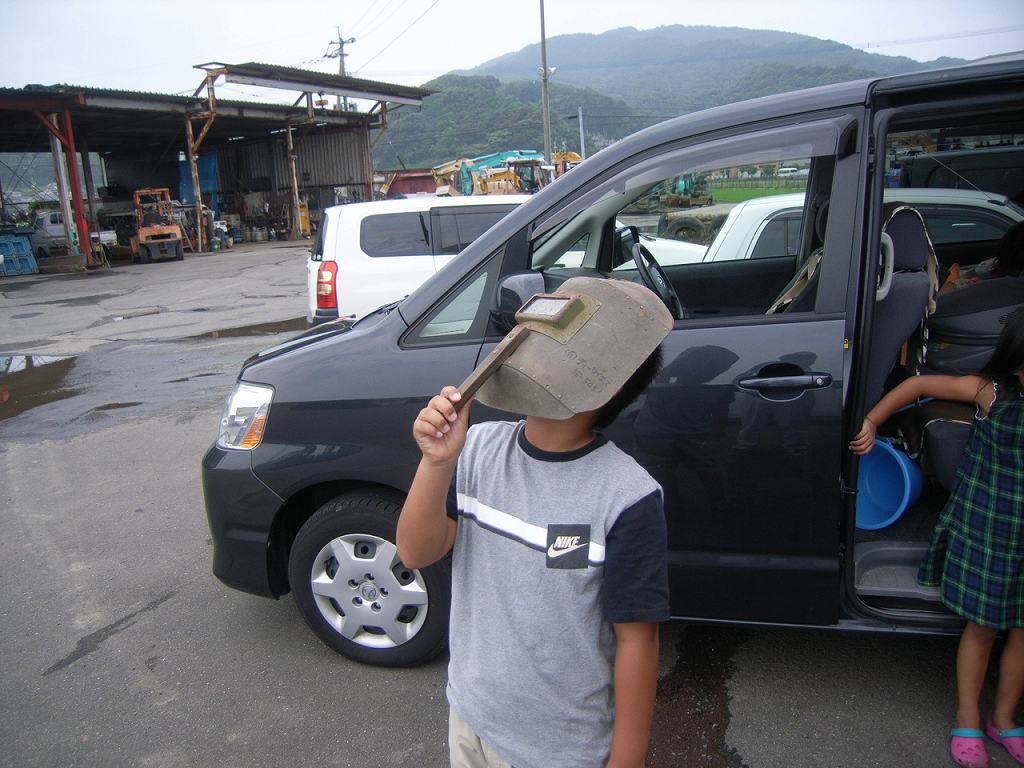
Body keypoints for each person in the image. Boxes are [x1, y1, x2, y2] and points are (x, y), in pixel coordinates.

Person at [397, 276, 673, 768]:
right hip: (471, 717)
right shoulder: (477, 448)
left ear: (605, 384)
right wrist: (436, 462)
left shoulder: (627, 497)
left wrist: (627, 760)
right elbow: (416, 552)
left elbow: (637, 638)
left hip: (561, 749)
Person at [850, 307, 1024, 768]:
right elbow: (918, 385)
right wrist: (872, 421)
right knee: (982, 628)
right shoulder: (991, 392)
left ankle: (1005, 720)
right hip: (993, 530)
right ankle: (968, 717)